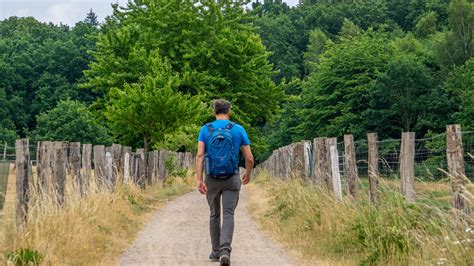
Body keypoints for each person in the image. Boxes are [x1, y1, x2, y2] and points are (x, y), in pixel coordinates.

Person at [195, 99, 254, 266]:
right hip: (231, 177)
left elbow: (200, 156)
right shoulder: (238, 129)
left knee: (214, 214)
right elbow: (249, 157)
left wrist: (199, 179)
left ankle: (215, 251)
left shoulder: (205, 130)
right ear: (229, 111)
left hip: (212, 178)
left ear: (214, 112)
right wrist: (248, 174)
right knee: (228, 214)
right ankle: (225, 251)